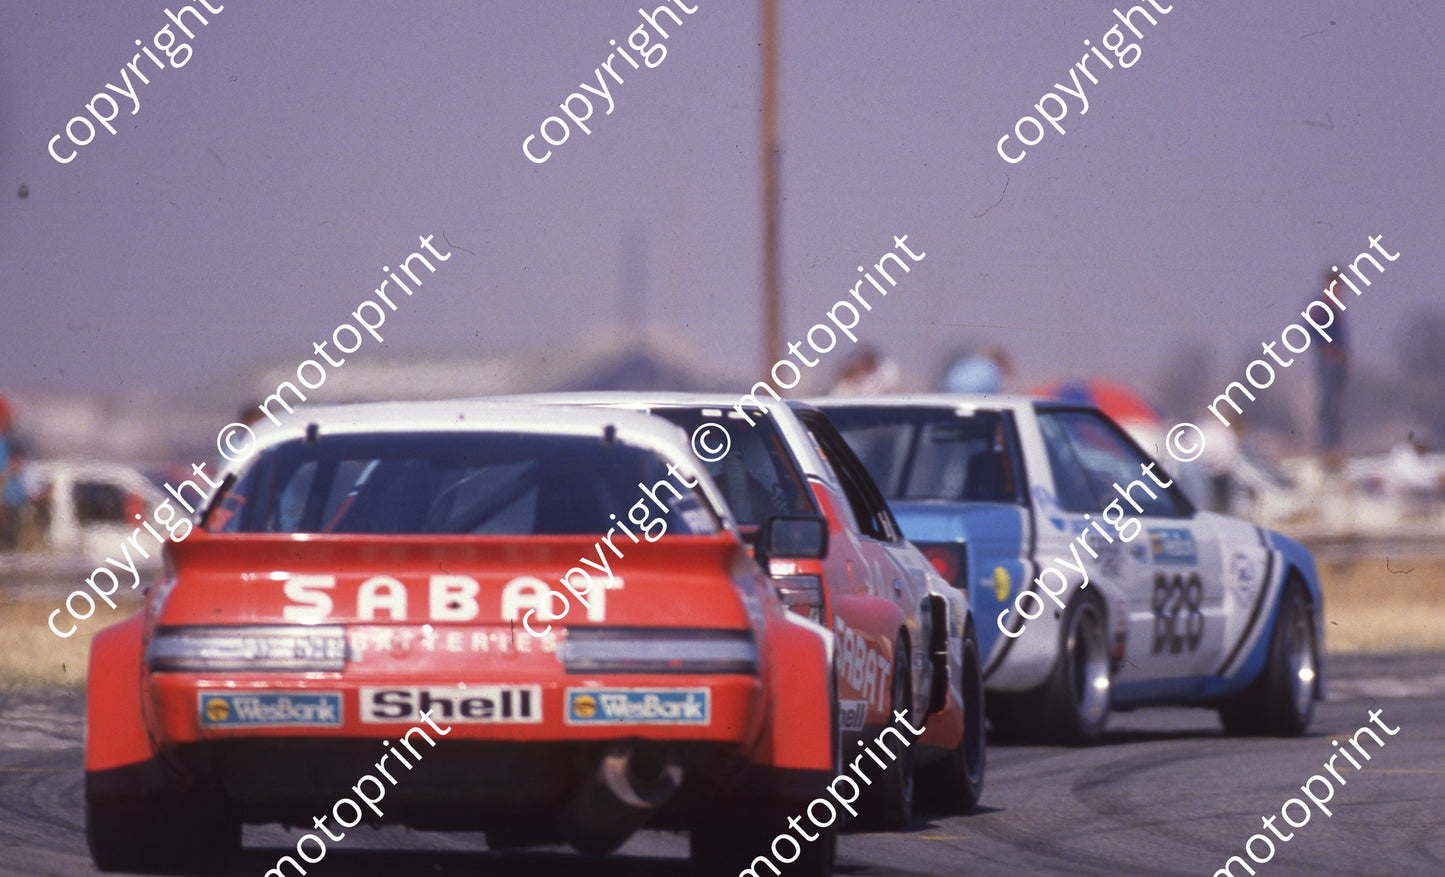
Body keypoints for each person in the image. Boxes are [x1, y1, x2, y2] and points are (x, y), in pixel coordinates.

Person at [1313, 268, 1350, 470]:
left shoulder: (1336, 309)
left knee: (1336, 407)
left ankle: (1335, 447)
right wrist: (1326, 347)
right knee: (1328, 407)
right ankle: (1328, 448)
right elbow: (1309, 328)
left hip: (1338, 365)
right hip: (1327, 364)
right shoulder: (1320, 306)